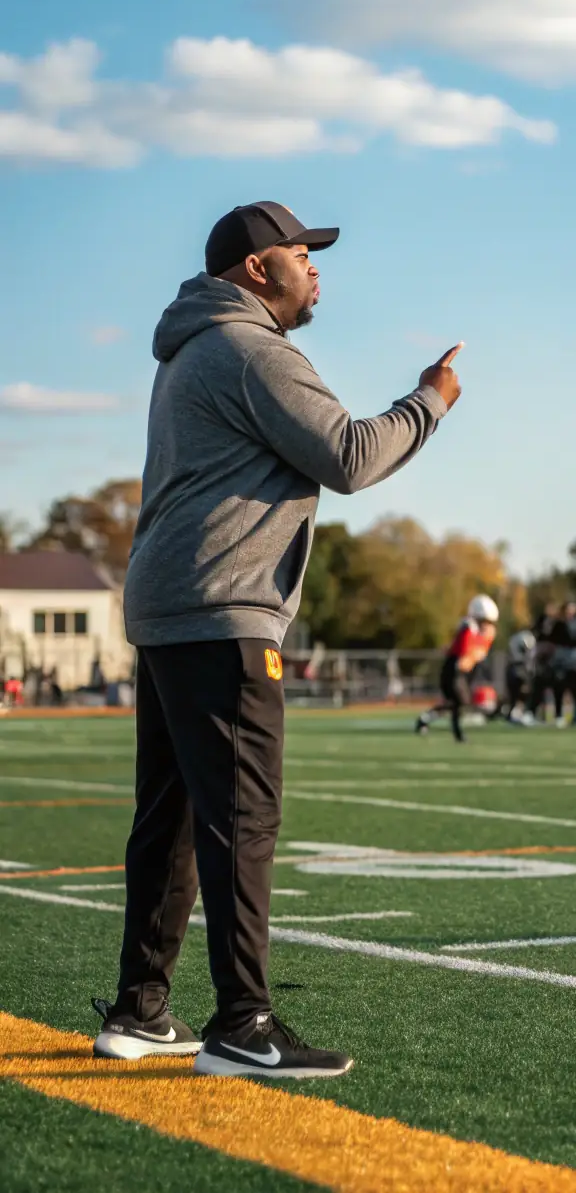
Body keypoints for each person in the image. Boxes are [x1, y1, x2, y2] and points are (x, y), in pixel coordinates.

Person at [97, 200, 461, 1079]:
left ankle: (142, 1008)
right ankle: (242, 1023)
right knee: (241, 815)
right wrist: (431, 401)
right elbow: (350, 455)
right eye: (303, 253)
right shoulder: (251, 348)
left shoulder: (193, 346)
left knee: (173, 817)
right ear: (258, 268)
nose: (316, 267)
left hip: (173, 602)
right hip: (222, 606)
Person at [416, 595, 499, 742]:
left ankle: (429, 721)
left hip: (462, 672)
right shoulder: (469, 629)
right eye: (484, 621)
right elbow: (464, 658)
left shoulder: (481, 633)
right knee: (459, 701)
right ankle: (454, 732)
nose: (487, 625)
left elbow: (473, 656)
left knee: (455, 703)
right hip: (454, 670)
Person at [552, 602, 576, 727]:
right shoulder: (559, 624)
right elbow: (554, 639)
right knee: (559, 688)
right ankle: (558, 715)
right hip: (561, 661)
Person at [503, 627, 537, 724]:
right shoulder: (526, 637)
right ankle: (517, 713)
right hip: (519, 667)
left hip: (514, 667)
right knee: (521, 691)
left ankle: (515, 713)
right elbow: (527, 652)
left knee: (517, 693)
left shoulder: (514, 638)